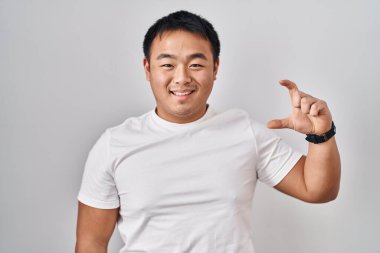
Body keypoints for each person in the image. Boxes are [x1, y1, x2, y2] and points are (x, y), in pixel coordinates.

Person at [75, 10, 341, 253]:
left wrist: (321, 134)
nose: (181, 78)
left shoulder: (243, 131)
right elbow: (91, 242)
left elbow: (317, 190)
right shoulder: (115, 144)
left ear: (215, 69)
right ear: (148, 68)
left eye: (196, 64)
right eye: (167, 65)